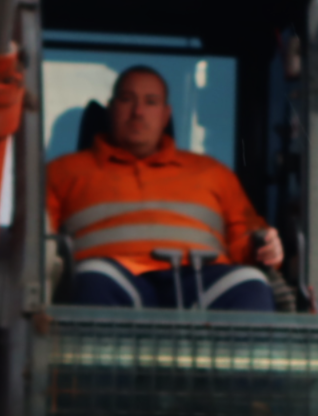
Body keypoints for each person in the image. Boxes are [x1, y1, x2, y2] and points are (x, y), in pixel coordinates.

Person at [45, 65, 283, 310]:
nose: (138, 112)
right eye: (127, 99)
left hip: (203, 280)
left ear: (166, 114)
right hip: (111, 279)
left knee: (250, 285)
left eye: (151, 102)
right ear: (111, 108)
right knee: (92, 281)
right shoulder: (62, 171)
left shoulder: (213, 172)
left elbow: (247, 235)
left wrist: (265, 247)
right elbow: (37, 240)